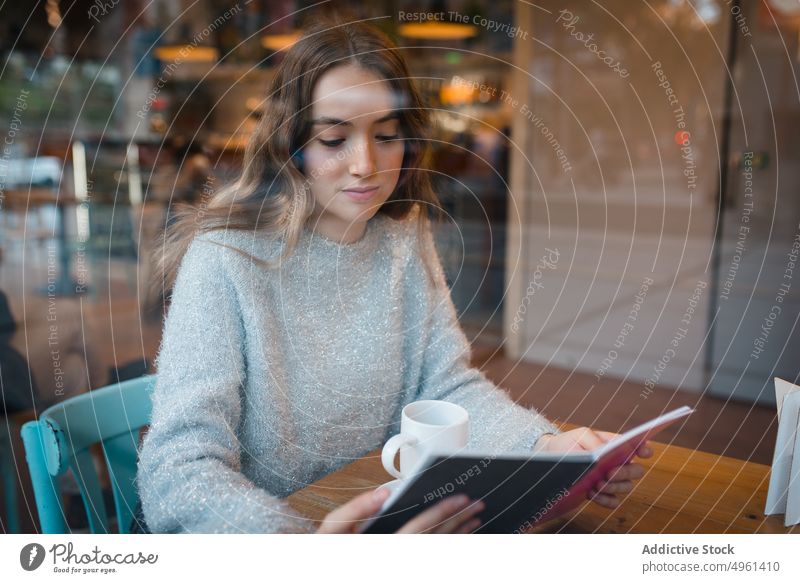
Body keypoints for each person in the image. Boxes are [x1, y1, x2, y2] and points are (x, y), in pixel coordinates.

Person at [135, 17, 651, 534]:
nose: (366, 164)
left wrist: (541, 449)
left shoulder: (403, 236)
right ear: (290, 147)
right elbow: (178, 467)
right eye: (334, 139)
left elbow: (446, 384)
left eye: (386, 135)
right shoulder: (224, 258)